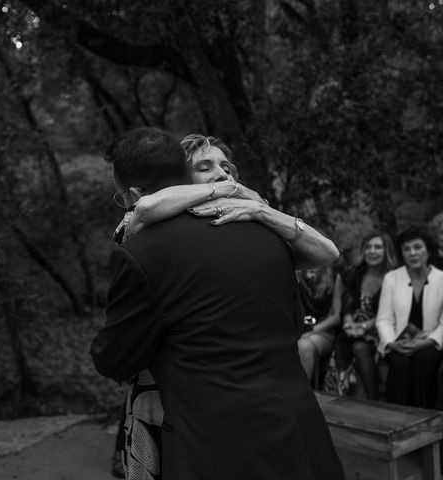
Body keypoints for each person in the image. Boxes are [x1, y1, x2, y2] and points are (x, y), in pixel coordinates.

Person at [92, 127, 343, 480]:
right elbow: (293, 317)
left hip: (216, 441)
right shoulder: (272, 238)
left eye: (226, 168)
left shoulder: (142, 252)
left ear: (132, 192)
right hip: (296, 424)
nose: (222, 174)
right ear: (185, 177)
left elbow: (116, 357)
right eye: (206, 167)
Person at [376, 227, 443, 408]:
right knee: (399, 364)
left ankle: (424, 420)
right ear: (401, 254)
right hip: (399, 342)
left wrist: (428, 341)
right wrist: (391, 343)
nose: (412, 253)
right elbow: (384, 319)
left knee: (425, 361)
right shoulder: (392, 278)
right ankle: (397, 419)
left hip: (430, 342)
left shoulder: (441, 279)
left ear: (428, 250)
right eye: (406, 249)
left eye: (417, 247)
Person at [339, 232, 397, 400]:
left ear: (387, 251)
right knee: (350, 343)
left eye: (378, 247)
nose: (372, 251)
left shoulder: (393, 276)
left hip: (382, 329)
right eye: (368, 247)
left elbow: (389, 313)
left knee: (359, 347)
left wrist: (364, 327)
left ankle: (372, 400)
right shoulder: (355, 274)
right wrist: (349, 323)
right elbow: (347, 304)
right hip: (352, 330)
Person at [297, 265, 343, 382]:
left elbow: (337, 316)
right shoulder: (297, 275)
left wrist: (311, 330)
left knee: (304, 345)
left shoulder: (334, 278)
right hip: (298, 328)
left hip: (322, 331)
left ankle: (303, 391)